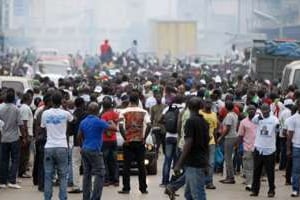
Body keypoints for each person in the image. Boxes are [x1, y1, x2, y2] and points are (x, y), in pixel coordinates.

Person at [78, 102, 116, 200]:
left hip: (85, 149)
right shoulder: (99, 121)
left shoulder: (83, 122)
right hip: (94, 150)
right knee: (100, 173)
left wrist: (82, 147)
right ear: (98, 111)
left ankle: (86, 197)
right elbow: (114, 129)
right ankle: (95, 197)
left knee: (87, 174)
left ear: (88, 110)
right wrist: (111, 121)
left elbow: (79, 136)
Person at [174, 97, 210, 200]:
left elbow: (188, 143)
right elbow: (206, 144)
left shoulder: (190, 121)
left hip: (194, 163)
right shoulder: (204, 122)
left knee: (197, 195)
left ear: (188, 107)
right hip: (199, 161)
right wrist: (207, 163)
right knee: (189, 194)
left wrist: (179, 163)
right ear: (201, 107)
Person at [41, 92, 74, 200]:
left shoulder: (45, 113)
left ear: (51, 101)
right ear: (61, 101)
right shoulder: (66, 114)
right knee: (63, 175)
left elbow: (43, 128)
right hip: (62, 146)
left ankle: (47, 198)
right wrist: (65, 108)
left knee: (48, 175)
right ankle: (63, 197)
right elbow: (73, 120)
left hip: (49, 146)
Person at [118, 91, 151, 194]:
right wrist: (144, 138)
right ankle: (143, 188)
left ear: (129, 101)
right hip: (140, 142)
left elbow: (120, 126)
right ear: (138, 100)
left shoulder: (123, 112)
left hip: (128, 143)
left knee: (126, 166)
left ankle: (126, 188)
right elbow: (149, 125)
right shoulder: (144, 112)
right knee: (141, 166)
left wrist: (126, 138)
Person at [250, 104, 279, 198]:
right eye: (263, 110)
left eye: (266, 110)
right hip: (258, 148)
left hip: (269, 149)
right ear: (261, 110)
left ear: (269, 110)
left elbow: (278, 128)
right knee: (256, 171)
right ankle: (255, 190)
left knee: (270, 172)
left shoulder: (274, 119)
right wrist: (259, 115)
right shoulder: (258, 118)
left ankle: (271, 190)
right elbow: (253, 120)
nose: (265, 112)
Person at [0, 88, 25, 189]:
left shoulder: (0, 107)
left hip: (3, 138)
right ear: (14, 98)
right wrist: (24, 137)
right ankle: (12, 181)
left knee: (3, 160)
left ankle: (2, 182)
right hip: (14, 138)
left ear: (5, 98)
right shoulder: (16, 109)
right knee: (15, 160)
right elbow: (21, 125)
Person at [68, 97, 87, 193]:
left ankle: (76, 186)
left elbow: (70, 131)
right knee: (87, 165)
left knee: (75, 164)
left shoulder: (73, 115)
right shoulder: (86, 115)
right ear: (83, 104)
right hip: (86, 143)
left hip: (76, 142)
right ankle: (87, 186)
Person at [100, 96, 119, 187]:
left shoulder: (103, 116)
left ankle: (106, 180)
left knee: (105, 161)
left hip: (105, 140)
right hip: (114, 140)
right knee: (114, 160)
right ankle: (115, 180)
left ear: (103, 106)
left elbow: (103, 127)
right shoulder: (116, 114)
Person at [237, 105, 257, 191]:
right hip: (247, 147)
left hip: (258, 147)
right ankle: (249, 183)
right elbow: (240, 135)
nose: (252, 111)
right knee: (248, 166)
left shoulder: (260, 121)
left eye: (253, 109)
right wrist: (238, 146)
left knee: (257, 167)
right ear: (247, 111)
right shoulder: (243, 122)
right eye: (250, 109)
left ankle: (256, 182)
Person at [218, 100, 239, 184]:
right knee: (229, 157)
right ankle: (228, 176)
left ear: (226, 108)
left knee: (228, 158)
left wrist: (221, 137)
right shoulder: (234, 114)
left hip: (229, 137)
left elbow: (227, 128)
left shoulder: (229, 116)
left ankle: (230, 177)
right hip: (234, 136)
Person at [200, 98, 218, 189]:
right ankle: (200, 181)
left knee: (211, 163)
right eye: (206, 102)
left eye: (210, 102)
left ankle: (209, 182)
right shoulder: (200, 114)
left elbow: (215, 130)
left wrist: (216, 141)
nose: (208, 104)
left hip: (211, 142)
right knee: (201, 163)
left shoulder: (214, 115)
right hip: (200, 142)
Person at [18, 93, 33, 178]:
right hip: (25, 134)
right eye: (31, 98)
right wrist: (25, 136)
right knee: (25, 154)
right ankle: (22, 172)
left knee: (25, 154)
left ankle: (22, 171)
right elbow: (24, 122)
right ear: (28, 99)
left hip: (25, 134)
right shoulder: (25, 108)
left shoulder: (23, 107)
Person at [287, 100, 300, 197]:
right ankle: (295, 189)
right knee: (296, 169)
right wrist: (288, 148)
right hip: (296, 147)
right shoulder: (293, 119)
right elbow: (290, 135)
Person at [150, 90, 167, 156]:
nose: (158, 98)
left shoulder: (165, 106)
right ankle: (156, 155)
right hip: (156, 127)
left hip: (163, 127)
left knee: (164, 142)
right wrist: (151, 127)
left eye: (159, 97)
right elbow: (152, 118)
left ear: (161, 97)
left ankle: (165, 155)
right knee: (157, 143)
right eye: (157, 97)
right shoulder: (153, 107)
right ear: (155, 98)